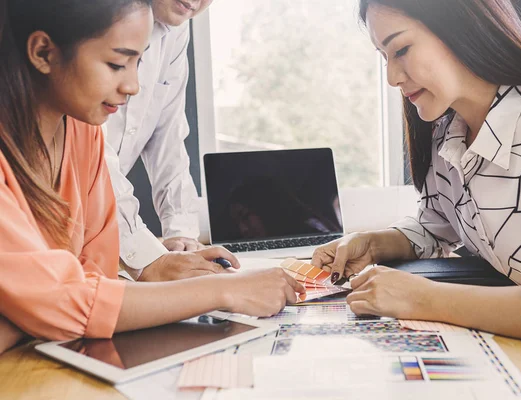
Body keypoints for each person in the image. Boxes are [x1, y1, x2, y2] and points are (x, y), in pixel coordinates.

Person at [0, 0, 304, 355]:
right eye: (116, 64)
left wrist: (29, 314)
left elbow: (91, 284)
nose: (134, 86)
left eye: (139, 63)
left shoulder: (85, 134)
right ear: (43, 52)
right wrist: (224, 291)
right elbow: (66, 302)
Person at [312, 0, 521, 350]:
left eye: (400, 49)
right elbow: (436, 227)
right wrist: (374, 243)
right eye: (383, 56)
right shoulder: (448, 131)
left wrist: (426, 299)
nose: (391, 78)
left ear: (462, 27)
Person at [104, 0, 217, 282]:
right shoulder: (96, 14)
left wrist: (181, 233)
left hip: (99, 234)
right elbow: (92, 156)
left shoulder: (176, 29)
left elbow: (169, 135)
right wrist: (147, 259)